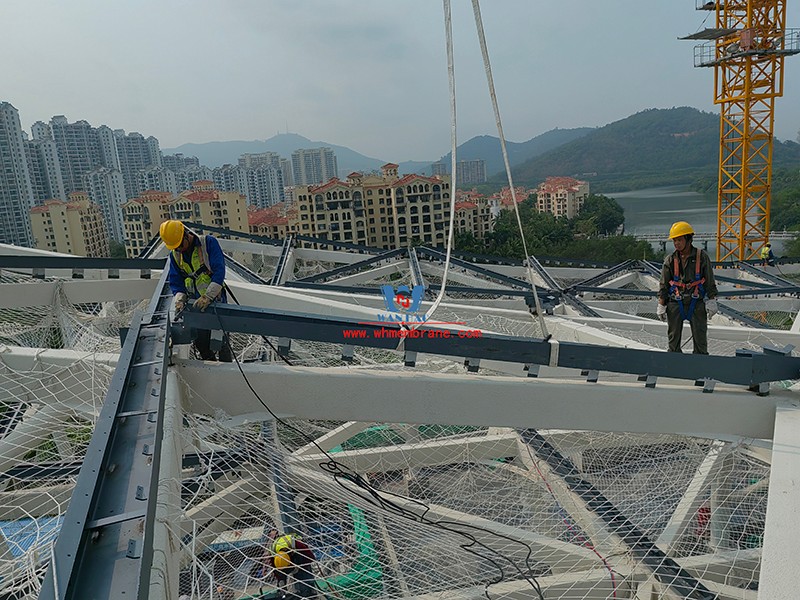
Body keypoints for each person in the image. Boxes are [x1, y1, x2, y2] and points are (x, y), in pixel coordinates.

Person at [160, 220, 233, 362]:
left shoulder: (208, 244)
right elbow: (176, 280)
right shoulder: (175, 255)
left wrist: (208, 296)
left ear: (187, 235)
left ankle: (227, 371)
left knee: (221, 342)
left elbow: (219, 272)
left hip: (215, 302)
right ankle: (211, 369)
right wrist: (180, 298)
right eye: (176, 247)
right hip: (195, 306)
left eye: (180, 245)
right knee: (201, 343)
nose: (179, 249)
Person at [657, 221, 718, 354]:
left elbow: (709, 280)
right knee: (673, 341)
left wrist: (712, 300)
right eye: (674, 241)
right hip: (675, 302)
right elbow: (664, 284)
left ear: (688, 239)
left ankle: (700, 367)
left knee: (700, 340)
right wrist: (662, 304)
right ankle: (674, 365)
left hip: (696, 302)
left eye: (679, 240)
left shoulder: (701, 257)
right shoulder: (670, 259)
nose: (676, 243)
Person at [264, 531, 317, 599]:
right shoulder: (273, 551)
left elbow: (310, 558)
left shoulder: (297, 544)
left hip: (298, 555)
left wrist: (299, 567)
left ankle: (309, 592)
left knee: (303, 577)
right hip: (286, 558)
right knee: (281, 578)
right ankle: (281, 593)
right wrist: (281, 580)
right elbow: (275, 569)